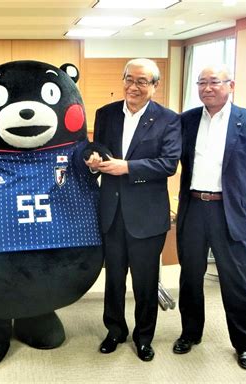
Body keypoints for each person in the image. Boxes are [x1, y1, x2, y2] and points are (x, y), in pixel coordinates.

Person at [173, 64, 246, 370]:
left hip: (227, 209)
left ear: (231, 85)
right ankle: (190, 333)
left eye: (214, 82)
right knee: (190, 276)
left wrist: (237, 196)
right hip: (193, 206)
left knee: (236, 279)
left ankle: (243, 344)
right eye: (201, 83)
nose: (207, 88)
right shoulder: (187, 120)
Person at [85, 58, 181, 361]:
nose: (133, 86)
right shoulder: (106, 114)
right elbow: (96, 149)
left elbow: (168, 163)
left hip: (147, 215)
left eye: (142, 81)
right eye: (129, 79)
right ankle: (114, 330)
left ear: (155, 86)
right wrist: (92, 161)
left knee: (144, 282)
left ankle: (144, 337)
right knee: (114, 278)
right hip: (112, 212)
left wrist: (127, 167)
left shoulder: (168, 119)